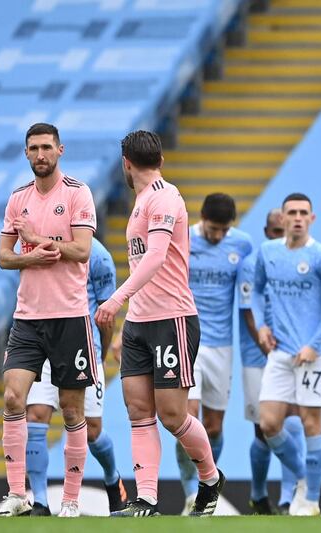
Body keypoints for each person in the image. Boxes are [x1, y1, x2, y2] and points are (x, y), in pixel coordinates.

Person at [94, 130, 223, 517]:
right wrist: (126, 318)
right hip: (138, 323)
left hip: (173, 319)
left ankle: (211, 478)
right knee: (138, 410)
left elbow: (154, 257)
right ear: (161, 159)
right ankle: (146, 499)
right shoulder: (141, 202)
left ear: (126, 163)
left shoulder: (166, 196)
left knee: (172, 415)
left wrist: (116, 299)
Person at [0, 122, 97, 518]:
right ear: (26, 153)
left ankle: (70, 499)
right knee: (12, 397)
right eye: (34, 148)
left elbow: (82, 250)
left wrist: (36, 239)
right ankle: (18, 493)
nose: (40, 154)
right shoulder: (18, 198)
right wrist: (30, 257)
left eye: (47, 147)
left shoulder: (76, 193)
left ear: (60, 150)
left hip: (70, 316)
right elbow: (4, 256)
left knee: (72, 410)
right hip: (28, 317)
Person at [254, 193, 321, 516]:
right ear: (281, 218)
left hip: (314, 355)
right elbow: (255, 290)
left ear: (312, 218)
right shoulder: (267, 253)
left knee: (311, 424)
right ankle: (305, 477)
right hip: (280, 354)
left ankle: (310, 500)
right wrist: (262, 326)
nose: (297, 218)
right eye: (291, 212)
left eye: (303, 213)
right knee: (268, 424)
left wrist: (314, 344)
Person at [25, 237, 127, 516]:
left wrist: (100, 352)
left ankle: (112, 477)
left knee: (91, 429)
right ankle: (40, 502)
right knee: (35, 415)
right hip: (43, 345)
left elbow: (107, 314)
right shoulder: (40, 247)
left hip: (83, 348)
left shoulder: (99, 256)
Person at [176, 193, 253, 514]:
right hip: (187, 339)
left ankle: (205, 486)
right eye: (213, 229)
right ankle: (189, 493)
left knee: (215, 426)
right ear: (201, 218)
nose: (218, 236)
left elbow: (249, 294)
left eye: (224, 231)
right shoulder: (182, 240)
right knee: (186, 419)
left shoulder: (242, 245)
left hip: (222, 346)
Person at [238, 208, 306, 515]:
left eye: (284, 231)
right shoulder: (251, 265)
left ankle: (291, 498)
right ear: (267, 233)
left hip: (290, 352)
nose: (281, 237)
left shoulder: (299, 261)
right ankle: (259, 495)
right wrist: (267, 347)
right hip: (257, 356)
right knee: (263, 430)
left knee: (293, 422)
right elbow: (249, 312)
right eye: (276, 232)